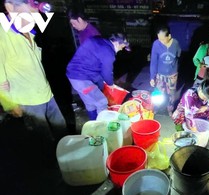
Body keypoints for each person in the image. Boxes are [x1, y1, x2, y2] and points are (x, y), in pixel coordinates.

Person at [0, 0, 67, 159]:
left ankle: (69, 158)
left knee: (62, 131)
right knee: (44, 140)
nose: (34, 19)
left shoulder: (29, 31)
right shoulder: (3, 37)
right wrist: (9, 104)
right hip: (28, 101)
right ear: (10, 7)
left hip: (46, 94)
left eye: (36, 14)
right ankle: (52, 170)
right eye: (29, 13)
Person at [66, 33, 130, 120]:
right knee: (102, 102)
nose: (120, 49)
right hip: (82, 79)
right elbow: (107, 72)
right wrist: (111, 84)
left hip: (74, 75)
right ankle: (102, 126)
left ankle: (93, 123)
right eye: (122, 47)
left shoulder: (98, 40)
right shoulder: (108, 53)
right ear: (117, 43)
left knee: (90, 103)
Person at [149, 24, 182, 116]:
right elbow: (153, 62)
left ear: (169, 36)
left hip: (172, 75)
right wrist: (152, 77)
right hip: (160, 75)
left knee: (171, 94)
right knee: (158, 93)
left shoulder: (175, 43)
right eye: (159, 38)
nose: (160, 41)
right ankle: (156, 108)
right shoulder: (156, 44)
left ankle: (170, 109)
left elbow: (179, 54)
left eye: (163, 39)